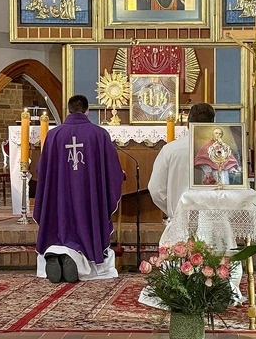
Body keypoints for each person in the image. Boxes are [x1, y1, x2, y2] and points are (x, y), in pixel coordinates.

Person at [143, 103, 243, 308]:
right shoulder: (222, 151)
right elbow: (232, 185)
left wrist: (172, 209)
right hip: (215, 220)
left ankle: (180, 291)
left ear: (187, 123)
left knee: (181, 263)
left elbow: (155, 188)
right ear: (213, 124)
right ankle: (220, 291)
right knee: (219, 258)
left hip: (182, 220)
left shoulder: (170, 150)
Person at [34, 94, 124, 283]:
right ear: (87, 110)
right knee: (88, 222)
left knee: (60, 223)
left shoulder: (54, 135)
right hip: (89, 196)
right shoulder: (99, 134)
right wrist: (118, 175)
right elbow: (112, 170)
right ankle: (79, 260)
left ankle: (58, 253)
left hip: (61, 195)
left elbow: (42, 170)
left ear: (68, 110)